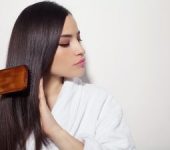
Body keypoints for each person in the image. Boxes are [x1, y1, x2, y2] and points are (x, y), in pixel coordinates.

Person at [0, 1, 135, 150]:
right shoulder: (6, 106)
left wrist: (55, 131)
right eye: (65, 43)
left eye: (79, 39)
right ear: (37, 49)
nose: (80, 49)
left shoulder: (99, 102)